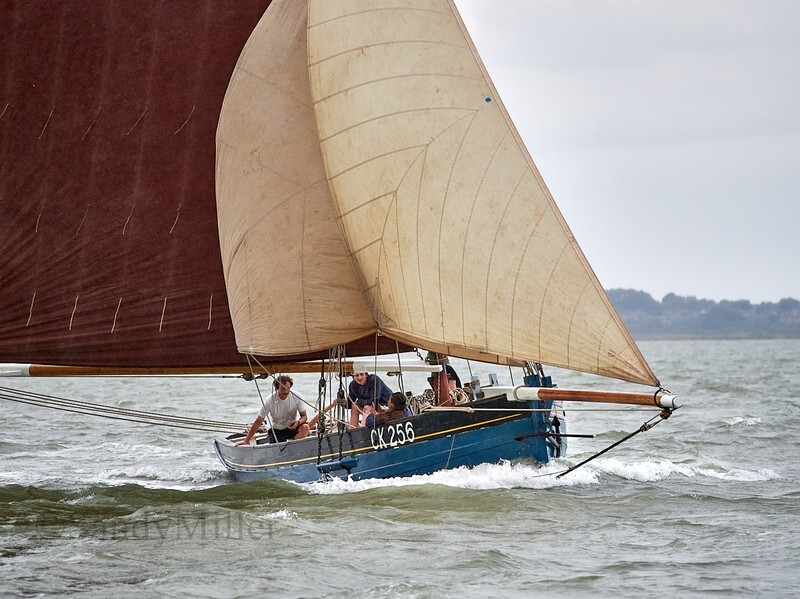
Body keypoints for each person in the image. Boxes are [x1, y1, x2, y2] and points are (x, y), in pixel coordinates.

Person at [237, 375, 310, 445]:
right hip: (276, 429)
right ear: (277, 388)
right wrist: (246, 441)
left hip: (292, 427)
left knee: (306, 427)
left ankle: (294, 446)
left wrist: (298, 422)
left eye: (288, 388)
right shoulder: (270, 400)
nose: (286, 391)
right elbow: (258, 421)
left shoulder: (296, 396)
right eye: (283, 388)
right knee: (276, 449)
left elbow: (304, 416)